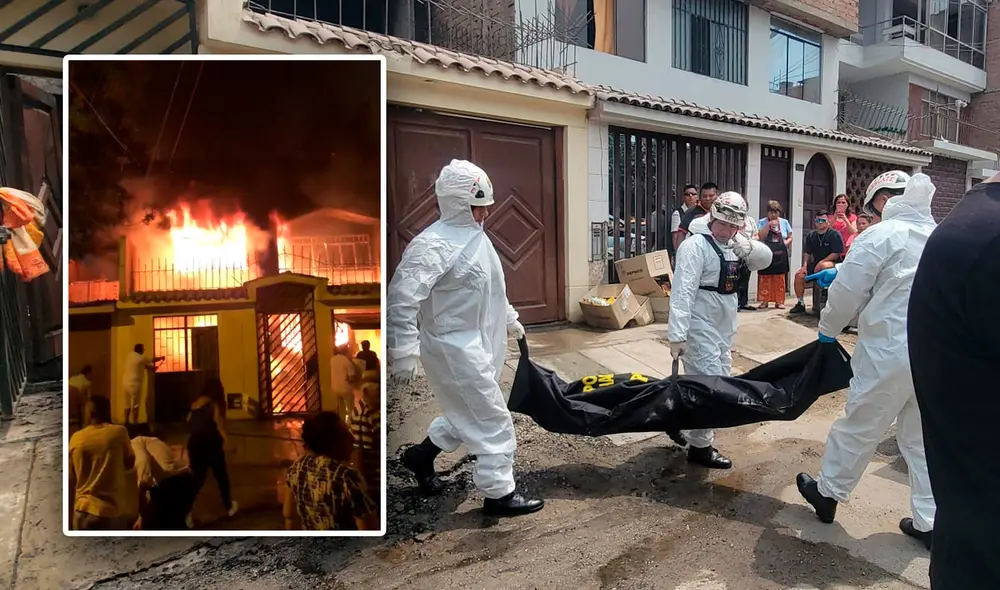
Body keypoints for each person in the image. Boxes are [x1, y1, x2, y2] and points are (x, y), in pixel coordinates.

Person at [386, 159, 543, 517]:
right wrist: (404, 350)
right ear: (457, 204)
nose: (485, 213)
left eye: (486, 206)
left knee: (467, 409)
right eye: (477, 206)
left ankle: (420, 456)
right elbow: (402, 298)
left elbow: (492, 288)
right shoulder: (432, 245)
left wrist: (510, 319)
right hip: (452, 348)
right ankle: (499, 494)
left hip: (479, 343)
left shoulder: (476, 237)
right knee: (492, 418)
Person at [796, 171, 937, 550]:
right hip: (933, 354)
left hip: (888, 351)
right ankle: (930, 522)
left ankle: (828, 493)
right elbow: (901, 271)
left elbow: (848, 293)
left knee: (860, 424)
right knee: (922, 439)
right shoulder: (938, 236)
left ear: (883, 200)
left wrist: (828, 329)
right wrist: (843, 268)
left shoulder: (878, 235)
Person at [908, 172, 1000, 588]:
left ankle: (924, 519)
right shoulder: (987, 237)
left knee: (907, 438)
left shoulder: (963, 226)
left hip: (970, 536)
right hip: (984, 546)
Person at [666, 192, 773, 469]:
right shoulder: (695, 246)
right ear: (712, 218)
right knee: (709, 383)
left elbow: (765, 260)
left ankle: (681, 423)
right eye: (723, 224)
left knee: (721, 376)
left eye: (733, 226)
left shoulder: (735, 245)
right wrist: (677, 334)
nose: (726, 231)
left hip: (724, 320)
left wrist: (748, 247)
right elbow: (683, 291)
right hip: (699, 319)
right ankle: (700, 447)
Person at [284, 411, 377, 530]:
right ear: (333, 443)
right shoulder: (347, 477)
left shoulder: (297, 468)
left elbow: (289, 516)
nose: (353, 439)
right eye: (346, 434)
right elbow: (369, 529)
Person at [68, 396, 136, 530]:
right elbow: (129, 462)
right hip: (110, 512)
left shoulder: (75, 438)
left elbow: (71, 478)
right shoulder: (119, 432)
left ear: (87, 414)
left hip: (81, 510)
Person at [186, 378, 237, 527]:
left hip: (194, 443)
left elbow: (189, 421)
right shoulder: (213, 405)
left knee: (197, 479)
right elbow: (219, 426)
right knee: (221, 476)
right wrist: (228, 442)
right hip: (211, 443)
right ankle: (229, 507)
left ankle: (187, 511)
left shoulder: (195, 403)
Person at [131, 434, 196, 530]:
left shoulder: (134, 444)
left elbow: (144, 475)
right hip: (182, 480)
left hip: (175, 482)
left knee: (156, 524)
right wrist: (141, 517)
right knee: (173, 522)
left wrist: (142, 514)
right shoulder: (147, 444)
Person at [789, 210, 844, 314]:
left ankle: (824, 302)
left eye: (822, 220)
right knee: (799, 276)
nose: (820, 223)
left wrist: (822, 261)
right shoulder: (811, 235)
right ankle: (800, 303)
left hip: (832, 264)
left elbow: (836, 253)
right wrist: (804, 266)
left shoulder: (834, 234)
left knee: (824, 266)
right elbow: (807, 253)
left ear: (828, 221)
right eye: (817, 220)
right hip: (815, 264)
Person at [351, 372, 381, 508]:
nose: (380, 398)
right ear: (366, 392)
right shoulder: (363, 415)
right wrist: (362, 486)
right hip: (374, 480)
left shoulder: (374, 408)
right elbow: (359, 452)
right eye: (377, 394)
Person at [756, 201, 793, 309]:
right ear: (767, 212)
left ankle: (779, 301)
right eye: (771, 212)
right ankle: (764, 301)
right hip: (766, 252)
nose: (773, 215)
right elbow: (760, 236)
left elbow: (790, 236)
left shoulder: (784, 222)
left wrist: (785, 243)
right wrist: (768, 226)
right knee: (765, 277)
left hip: (780, 253)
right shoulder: (762, 222)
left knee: (779, 277)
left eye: (776, 212)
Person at [121, 344, 164, 425]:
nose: (144, 350)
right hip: (134, 384)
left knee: (127, 405)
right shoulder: (141, 358)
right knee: (136, 405)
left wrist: (151, 368)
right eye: (143, 349)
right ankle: (135, 422)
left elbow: (141, 364)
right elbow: (153, 359)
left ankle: (126, 422)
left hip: (125, 383)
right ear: (140, 350)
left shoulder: (130, 356)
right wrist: (161, 358)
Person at [330, 344, 360, 422]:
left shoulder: (333, 359)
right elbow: (352, 377)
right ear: (346, 351)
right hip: (345, 388)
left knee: (341, 408)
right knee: (350, 408)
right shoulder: (346, 361)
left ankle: (341, 423)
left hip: (335, 388)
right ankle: (350, 424)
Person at [670, 184, 700, 254]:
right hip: (685, 251)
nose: (690, 196)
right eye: (687, 194)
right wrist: (678, 254)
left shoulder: (700, 211)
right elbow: (675, 236)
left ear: (697, 197)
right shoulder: (677, 213)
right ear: (683, 197)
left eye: (693, 194)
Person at [68, 365, 93, 429]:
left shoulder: (73, 378)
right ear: (88, 373)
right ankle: (84, 424)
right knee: (86, 406)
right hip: (75, 395)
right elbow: (88, 397)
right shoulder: (86, 382)